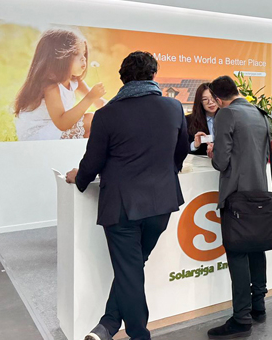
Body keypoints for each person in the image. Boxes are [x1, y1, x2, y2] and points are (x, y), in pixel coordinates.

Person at [65, 51, 189, 340]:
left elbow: (93, 162)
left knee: (129, 270)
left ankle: (137, 334)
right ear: (153, 75)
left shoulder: (107, 114)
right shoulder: (173, 107)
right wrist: (165, 172)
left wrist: (78, 178)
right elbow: (180, 151)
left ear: (122, 78)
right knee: (131, 268)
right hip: (161, 204)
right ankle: (108, 325)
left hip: (122, 208)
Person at [206, 75, 270, 339]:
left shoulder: (227, 114)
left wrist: (213, 153)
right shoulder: (259, 113)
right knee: (256, 249)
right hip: (260, 192)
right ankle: (258, 306)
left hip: (236, 196)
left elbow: (221, 162)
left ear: (218, 98)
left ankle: (241, 318)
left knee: (237, 253)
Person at [14, 28, 106, 141]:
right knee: (91, 120)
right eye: (76, 54)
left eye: (84, 53)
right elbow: (62, 123)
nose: (83, 58)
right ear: (58, 58)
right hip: (38, 133)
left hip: (56, 127)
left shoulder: (75, 80)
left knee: (95, 128)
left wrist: (118, 110)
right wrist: (90, 98)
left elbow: (100, 103)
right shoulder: (51, 87)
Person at [186, 82, 218, 155]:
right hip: (199, 160)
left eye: (213, 97)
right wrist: (195, 145)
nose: (210, 102)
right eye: (205, 99)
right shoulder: (188, 120)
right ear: (200, 102)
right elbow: (182, 148)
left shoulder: (229, 119)